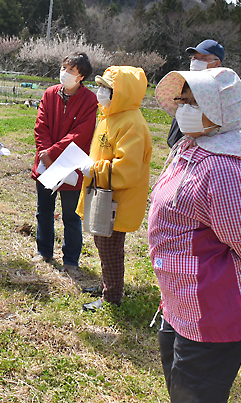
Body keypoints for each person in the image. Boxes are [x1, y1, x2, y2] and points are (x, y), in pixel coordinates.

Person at [149, 67, 241, 402]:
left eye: (194, 102)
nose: (183, 109)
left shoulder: (222, 168)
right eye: (182, 100)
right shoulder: (192, 146)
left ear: (220, 111)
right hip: (184, 295)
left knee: (194, 392)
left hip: (212, 303)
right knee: (180, 385)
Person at [77, 66, 152, 309]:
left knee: (110, 248)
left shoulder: (132, 124)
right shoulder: (110, 115)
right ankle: (105, 284)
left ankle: (112, 297)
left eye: (106, 88)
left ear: (122, 92)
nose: (100, 92)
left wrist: (95, 170)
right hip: (104, 193)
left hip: (118, 198)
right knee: (102, 243)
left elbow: (126, 169)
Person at [31, 52, 97, 269]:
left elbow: (81, 134)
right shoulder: (50, 94)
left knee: (71, 215)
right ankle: (44, 251)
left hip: (72, 165)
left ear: (81, 77)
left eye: (71, 70)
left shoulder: (89, 100)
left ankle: (70, 259)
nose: (65, 73)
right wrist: (45, 153)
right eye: (64, 68)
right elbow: (41, 125)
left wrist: (53, 152)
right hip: (46, 161)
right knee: (44, 210)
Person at [166, 39, 224, 148]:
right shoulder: (186, 82)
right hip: (180, 146)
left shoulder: (223, 90)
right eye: (194, 58)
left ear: (217, 63)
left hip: (204, 149)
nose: (196, 62)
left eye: (203, 58)